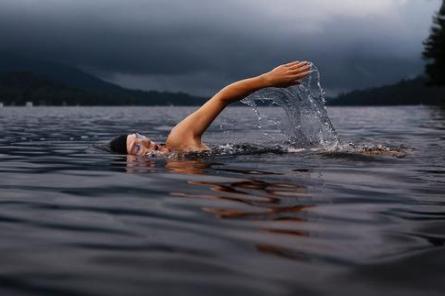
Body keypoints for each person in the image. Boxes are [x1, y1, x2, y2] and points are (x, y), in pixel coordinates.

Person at [109, 61, 311, 156]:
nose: (146, 142)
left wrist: (267, 79)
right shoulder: (175, 171)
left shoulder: (178, 140)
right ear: (131, 163)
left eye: (139, 137)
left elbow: (222, 97)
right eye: (136, 147)